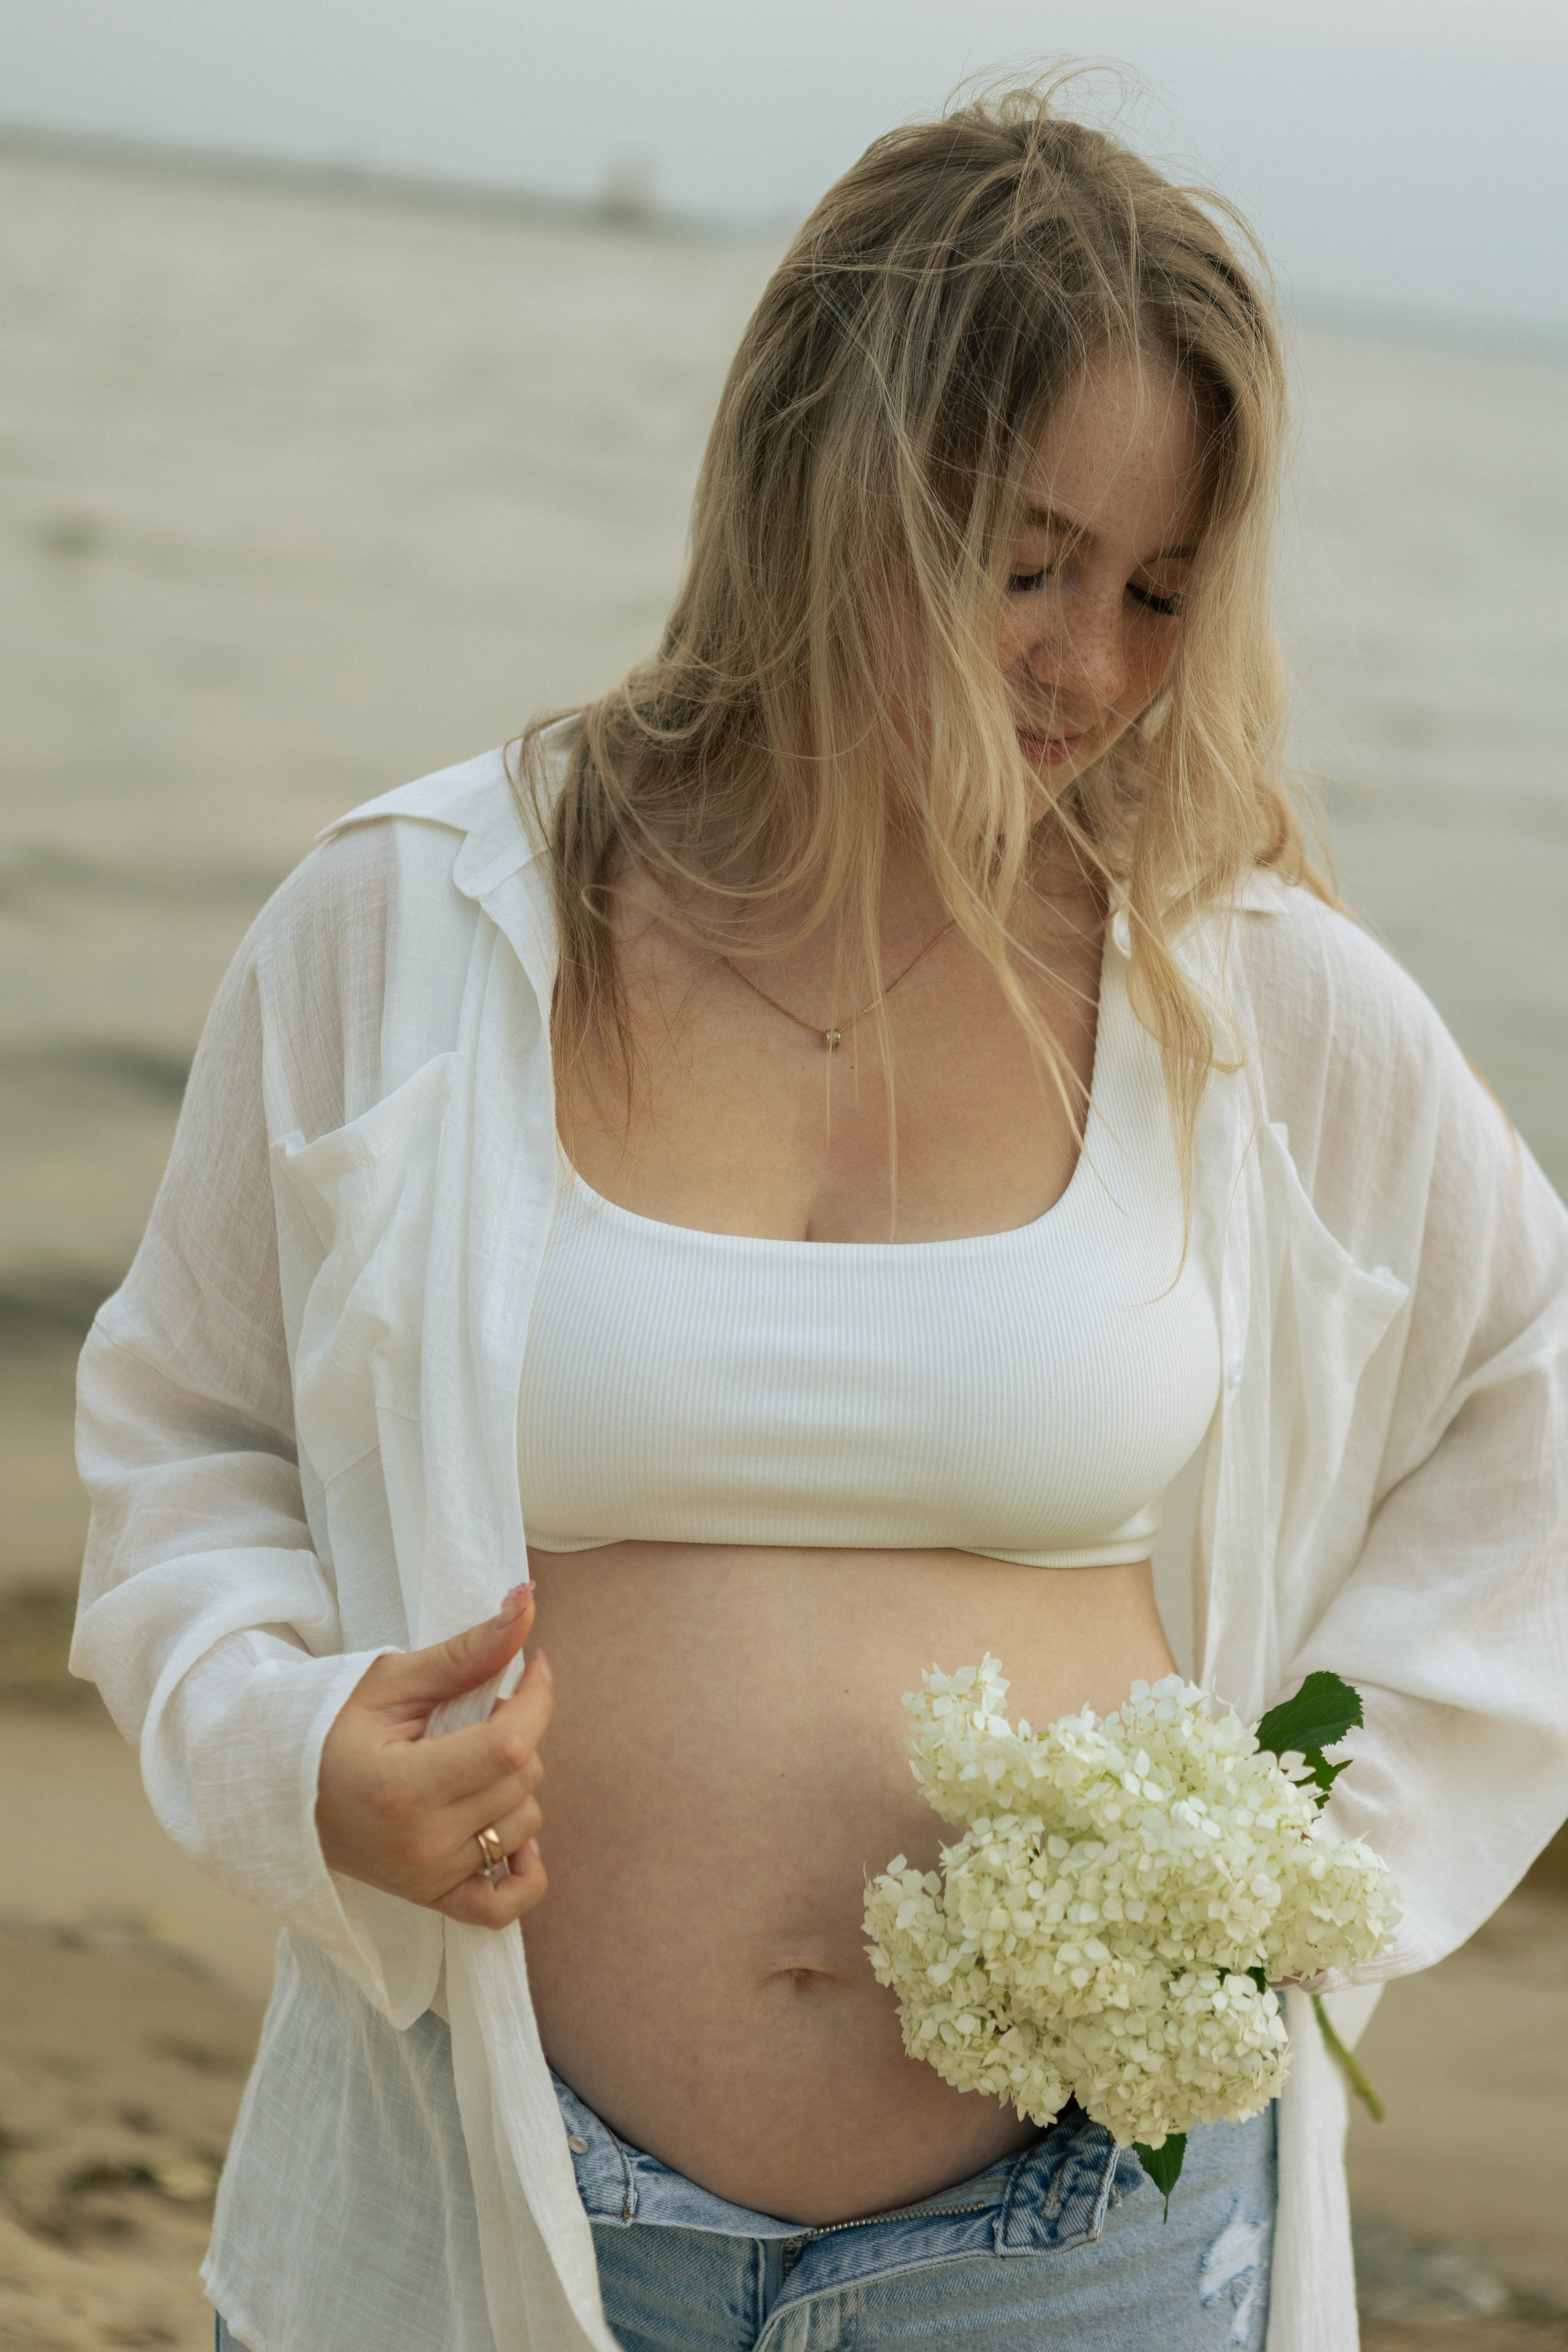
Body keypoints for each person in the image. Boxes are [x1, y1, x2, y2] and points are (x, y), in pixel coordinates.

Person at [72, 80, 1568, 2352]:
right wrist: (297, 1757)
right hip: (502, 2202)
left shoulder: (1244, 990)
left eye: (1162, 592)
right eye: (1029, 561)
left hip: (1091, 2249)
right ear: (822, 485)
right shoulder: (415, 927)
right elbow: (187, 1437)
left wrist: (1304, 1857)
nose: (1092, 663)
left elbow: (1532, 1415)